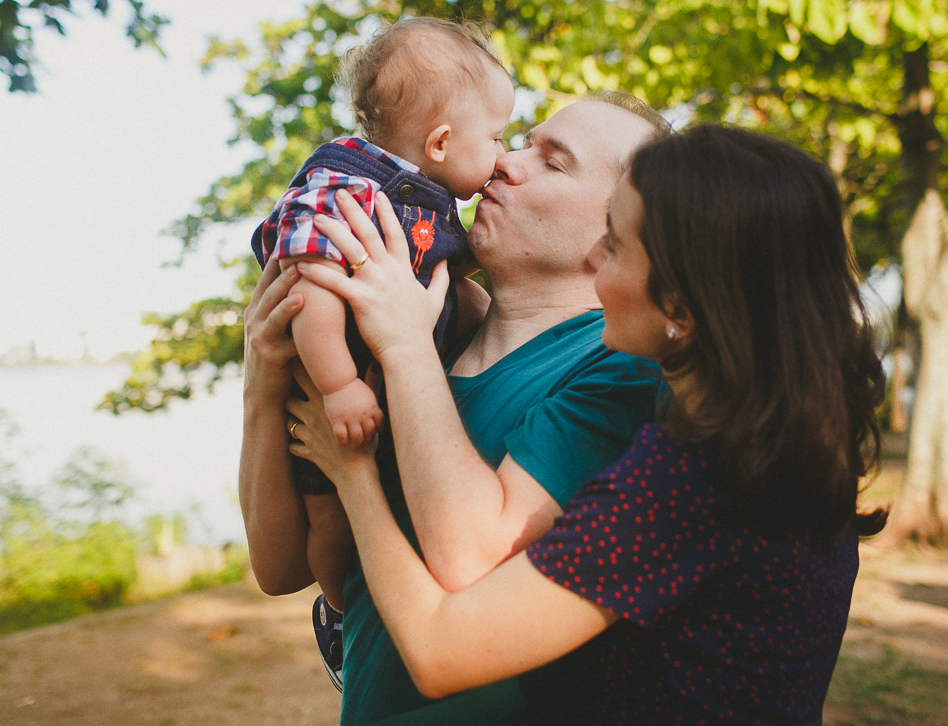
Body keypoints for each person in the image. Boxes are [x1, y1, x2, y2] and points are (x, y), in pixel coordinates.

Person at [290, 122, 888, 724]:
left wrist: (354, 472)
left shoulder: (695, 484)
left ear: (681, 307)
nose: (596, 258)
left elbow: (438, 649)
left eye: (617, 246)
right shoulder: (758, 458)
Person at [240, 93, 671, 723]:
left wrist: (401, 347)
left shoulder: (622, 369)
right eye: (523, 142)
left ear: (619, 231)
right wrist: (262, 383)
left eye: (553, 162)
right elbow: (280, 569)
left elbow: (473, 562)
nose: (505, 162)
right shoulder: (420, 336)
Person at [248, 16, 513, 662]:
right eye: (499, 138)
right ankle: (345, 614)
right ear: (441, 142)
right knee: (330, 523)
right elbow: (313, 290)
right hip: (333, 395)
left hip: (374, 418)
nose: (505, 158)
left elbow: (440, 260)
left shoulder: (425, 210)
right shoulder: (349, 193)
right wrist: (337, 385)